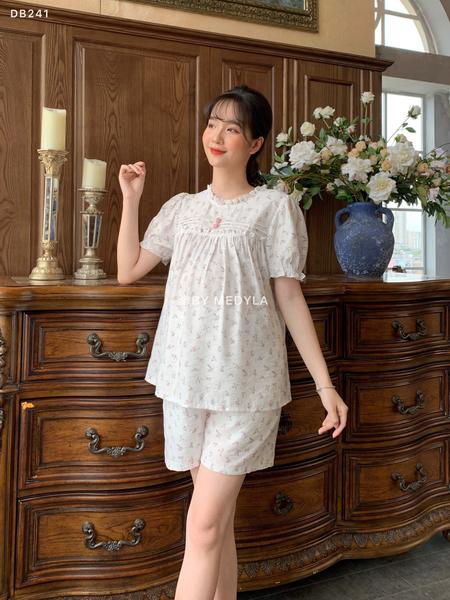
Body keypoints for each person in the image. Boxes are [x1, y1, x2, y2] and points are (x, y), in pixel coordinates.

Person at [117, 85, 348, 600]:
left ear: (255, 143)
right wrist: (131, 200)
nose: (217, 135)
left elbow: (289, 298)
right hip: (184, 379)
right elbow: (128, 270)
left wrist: (325, 386)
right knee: (214, 527)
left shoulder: (274, 209)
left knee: (202, 527)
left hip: (247, 385)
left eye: (232, 128)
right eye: (212, 124)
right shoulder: (181, 209)